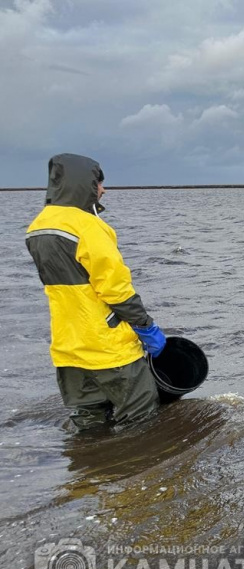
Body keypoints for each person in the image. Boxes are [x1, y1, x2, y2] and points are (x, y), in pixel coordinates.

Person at [25, 153, 167, 430]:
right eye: (98, 183)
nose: (103, 190)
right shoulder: (88, 227)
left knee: (88, 421)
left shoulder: (38, 226)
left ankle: (88, 470)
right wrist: (145, 325)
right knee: (140, 417)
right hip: (106, 346)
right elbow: (115, 290)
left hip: (68, 346)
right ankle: (140, 470)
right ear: (85, 185)